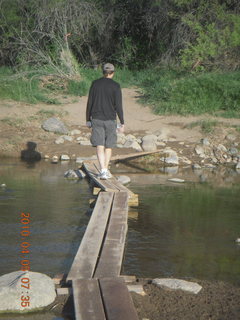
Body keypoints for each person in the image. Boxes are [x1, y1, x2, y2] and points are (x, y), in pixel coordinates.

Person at [86, 63, 124, 179]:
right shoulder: (116, 86)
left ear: (103, 72)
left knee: (99, 145)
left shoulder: (95, 84)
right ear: (113, 72)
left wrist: (88, 119)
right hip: (110, 120)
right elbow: (118, 105)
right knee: (109, 146)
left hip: (96, 118)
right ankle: (105, 170)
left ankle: (102, 170)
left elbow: (90, 103)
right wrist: (122, 122)